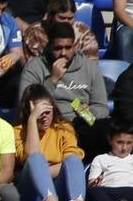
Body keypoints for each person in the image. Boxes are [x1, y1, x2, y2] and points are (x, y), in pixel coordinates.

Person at [19, 22, 109, 158]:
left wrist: (87, 112)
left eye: (68, 47)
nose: (63, 53)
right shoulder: (35, 67)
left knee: (112, 130)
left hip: (81, 123)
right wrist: (52, 80)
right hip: (50, 125)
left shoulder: (88, 67)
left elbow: (102, 107)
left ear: (75, 46)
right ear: (49, 46)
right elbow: (25, 104)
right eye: (58, 48)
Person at [13, 82, 92, 201]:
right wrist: (32, 120)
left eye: (47, 112)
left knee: (73, 159)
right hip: (32, 195)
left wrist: (41, 172)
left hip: (61, 190)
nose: (44, 117)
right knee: (36, 158)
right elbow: (31, 157)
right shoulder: (17, 132)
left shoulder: (64, 129)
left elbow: (73, 161)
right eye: (38, 113)